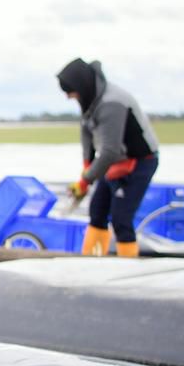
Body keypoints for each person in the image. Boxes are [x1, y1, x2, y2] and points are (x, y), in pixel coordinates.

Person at [56, 59, 161, 257]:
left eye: (71, 92)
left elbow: (111, 151)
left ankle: (126, 271)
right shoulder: (90, 99)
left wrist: (85, 179)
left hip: (139, 162)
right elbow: (87, 134)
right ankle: (91, 262)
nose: (69, 97)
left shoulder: (112, 103)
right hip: (115, 164)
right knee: (97, 212)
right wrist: (86, 169)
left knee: (121, 218)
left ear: (81, 86)